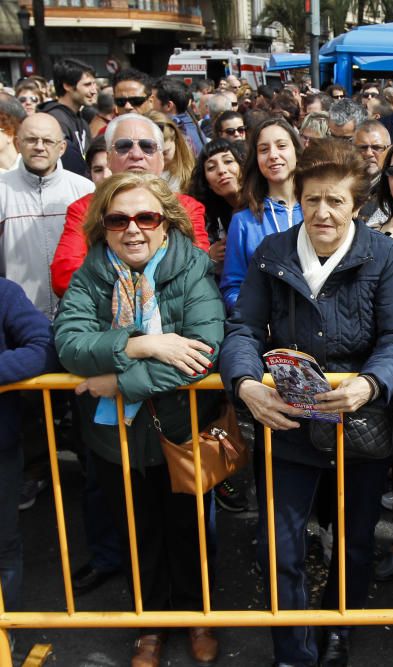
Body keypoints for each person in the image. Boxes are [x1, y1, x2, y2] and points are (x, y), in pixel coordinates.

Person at [221, 138, 393, 667]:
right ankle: (292, 647)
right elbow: (241, 330)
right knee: (279, 546)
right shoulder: (272, 252)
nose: (323, 213)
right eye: (312, 201)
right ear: (298, 199)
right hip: (285, 423)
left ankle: (339, 632)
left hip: (360, 423)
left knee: (353, 542)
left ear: (357, 205)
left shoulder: (385, 254)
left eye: (335, 201)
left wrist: (371, 384)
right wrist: (245, 384)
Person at [53, 172, 225, 667]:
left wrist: (120, 381)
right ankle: (150, 624)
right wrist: (143, 343)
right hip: (115, 438)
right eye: (118, 219)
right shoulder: (90, 274)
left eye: (146, 217)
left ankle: (197, 616)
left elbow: (202, 352)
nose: (133, 229)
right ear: (102, 227)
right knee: (138, 532)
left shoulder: (191, 267)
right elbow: (70, 346)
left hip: (180, 430)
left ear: (166, 224)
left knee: (189, 533)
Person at [50, 113, 211, 298]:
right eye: (124, 146)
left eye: (147, 147)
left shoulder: (187, 208)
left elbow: (198, 269)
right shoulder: (84, 209)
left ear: (161, 158)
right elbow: (64, 277)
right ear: (109, 158)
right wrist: (126, 291)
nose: (136, 154)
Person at [0, 278, 59, 616]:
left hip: (1, 452)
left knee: (3, 547)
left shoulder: (4, 293)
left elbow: (45, 348)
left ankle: (3, 640)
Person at [0, 113, 95, 320]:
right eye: (31, 140)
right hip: (17, 315)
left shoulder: (84, 189)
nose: (39, 147)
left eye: (48, 141)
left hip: (76, 313)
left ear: (61, 148)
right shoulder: (1, 190)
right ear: (18, 143)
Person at [220, 117, 303, 311]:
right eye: (264, 149)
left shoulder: (318, 210)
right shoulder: (243, 221)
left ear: (296, 151)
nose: (273, 155)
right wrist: (258, 315)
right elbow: (233, 287)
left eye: (281, 146)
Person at [188, 138, 247, 273]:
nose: (221, 170)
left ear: (242, 167)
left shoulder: (266, 205)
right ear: (207, 183)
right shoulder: (209, 219)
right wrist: (210, 257)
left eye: (228, 161)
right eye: (211, 168)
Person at [39, 58, 97, 177]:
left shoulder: (81, 120)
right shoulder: (55, 120)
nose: (94, 91)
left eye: (94, 84)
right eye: (87, 85)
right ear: (67, 86)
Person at [151, 77, 205, 154]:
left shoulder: (175, 133)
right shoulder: (192, 125)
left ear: (168, 106)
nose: (150, 104)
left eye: (153, 100)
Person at [352, 119, 392, 224]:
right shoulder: (343, 182)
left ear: (388, 150)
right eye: (362, 148)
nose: (369, 153)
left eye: (377, 148)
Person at [147, 111, 195, 191]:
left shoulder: (190, 171)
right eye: (153, 154)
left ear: (175, 141)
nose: (160, 158)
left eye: (165, 153)